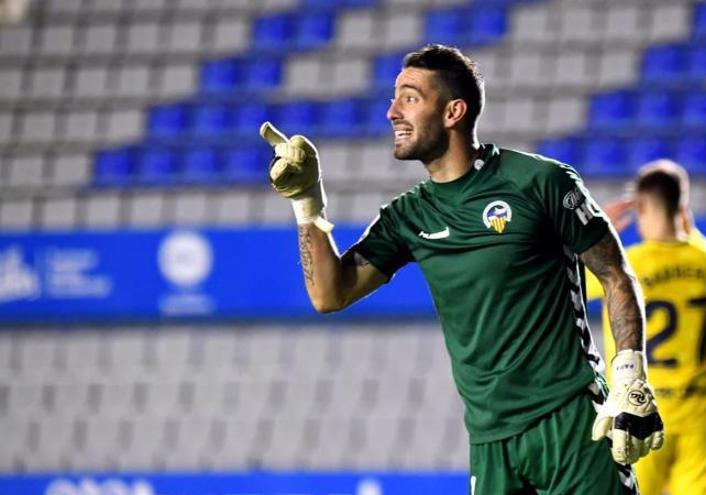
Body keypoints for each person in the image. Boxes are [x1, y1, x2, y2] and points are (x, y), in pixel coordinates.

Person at [260, 44, 663, 494]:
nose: (392, 111)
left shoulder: (540, 182)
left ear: (453, 112)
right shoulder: (407, 217)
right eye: (394, 98)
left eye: (410, 97)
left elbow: (615, 274)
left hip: (570, 423)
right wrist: (307, 202)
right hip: (490, 443)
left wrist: (629, 376)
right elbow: (329, 294)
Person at [587, 160, 706, 495]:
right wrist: (693, 235)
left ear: (641, 207)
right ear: (683, 207)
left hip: (639, 414)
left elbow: (565, 279)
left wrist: (596, 234)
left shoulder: (624, 265)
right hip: (701, 420)